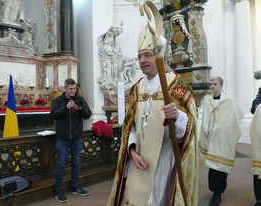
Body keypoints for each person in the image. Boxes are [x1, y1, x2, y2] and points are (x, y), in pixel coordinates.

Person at [107, 16, 198, 206]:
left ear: (159, 56)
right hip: (139, 159)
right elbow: (130, 127)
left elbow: (189, 131)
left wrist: (178, 117)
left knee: (157, 200)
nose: (142, 60)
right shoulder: (137, 88)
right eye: (139, 56)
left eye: (147, 55)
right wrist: (132, 151)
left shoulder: (177, 86)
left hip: (165, 159)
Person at [199, 76, 244, 206]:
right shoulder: (208, 101)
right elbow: (206, 119)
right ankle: (214, 191)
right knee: (213, 168)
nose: (212, 86)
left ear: (221, 85)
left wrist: (224, 129)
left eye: (215, 84)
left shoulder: (229, 102)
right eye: (211, 84)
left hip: (223, 140)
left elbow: (236, 117)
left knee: (221, 167)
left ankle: (218, 194)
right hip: (211, 139)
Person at [50, 78, 92, 203]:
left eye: (74, 89)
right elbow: (52, 115)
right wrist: (66, 108)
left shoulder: (80, 99)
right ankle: (59, 189)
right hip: (62, 138)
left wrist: (81, 109)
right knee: (62, 163)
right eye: (70, 89)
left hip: (76, 138)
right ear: (65, 88)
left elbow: (88, 114)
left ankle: (76, 186)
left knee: (76, 163)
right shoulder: (58, 100)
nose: (73, 91)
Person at [250, 102, 261, 206]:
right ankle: (259, 199)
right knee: (258, 172)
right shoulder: (260, 108)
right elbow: (254, 128)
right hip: (260, 145)